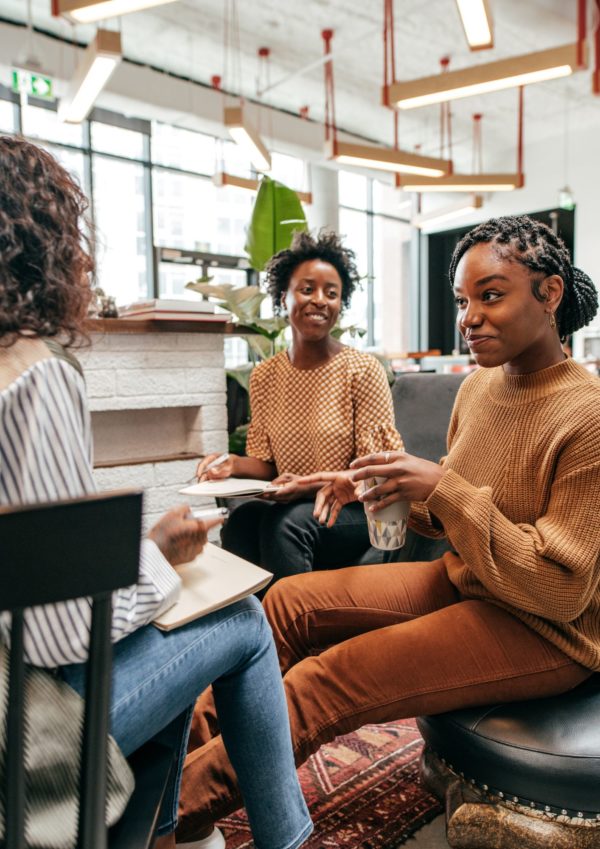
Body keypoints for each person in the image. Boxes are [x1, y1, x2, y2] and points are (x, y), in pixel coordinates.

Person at [176, 215, 600, 841]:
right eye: (462, 300)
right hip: (470, 579)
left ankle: (159, 813)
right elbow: (445, 509)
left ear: (550, 294)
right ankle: (162, 756)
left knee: (326, 682)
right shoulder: (479, 387)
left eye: (491, 295)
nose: (470, 317)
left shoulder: (585, 414)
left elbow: (561, 590)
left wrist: (444, 490)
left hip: (545, 627)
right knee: (285, 604)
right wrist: (379, 487)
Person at [0, 136, 312, 849]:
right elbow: (60, 633)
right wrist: (160, 564)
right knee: (237, 624)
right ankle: (286, 839)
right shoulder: (31, 376)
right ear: (42, 240)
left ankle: (166, 834)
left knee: (173, 636)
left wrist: (141, 553)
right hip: (24, 736)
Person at [196, 230, 403, 581]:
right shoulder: (264, 376)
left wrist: (307, 485)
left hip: (354, 507)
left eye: (331, 293)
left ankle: (294, 634)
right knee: (242, 520)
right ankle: (251, 626)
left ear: (341, 304)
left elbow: (380, 470)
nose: (320, 300)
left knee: (286, 524)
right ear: (283, 297)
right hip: (298, 503)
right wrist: (230, 464)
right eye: (307, 289)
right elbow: (265, 465)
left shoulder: (362, 369)